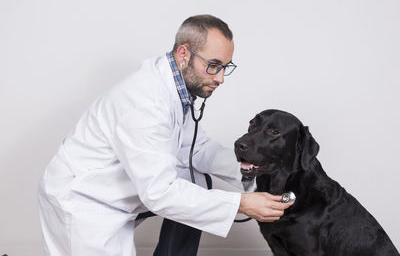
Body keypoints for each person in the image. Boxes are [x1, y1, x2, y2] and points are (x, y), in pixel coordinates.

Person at [38, 14, 292, 256]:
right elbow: (160, 193)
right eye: (214, 66)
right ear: (184, 54)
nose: (221, 78)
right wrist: (241, 203)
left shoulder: (176, 86)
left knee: (196, 181)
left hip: (123, 187)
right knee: (180, 192)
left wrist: (257, 173)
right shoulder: (145, 103)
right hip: (85, 201)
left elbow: (197, 149)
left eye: (225, 67)